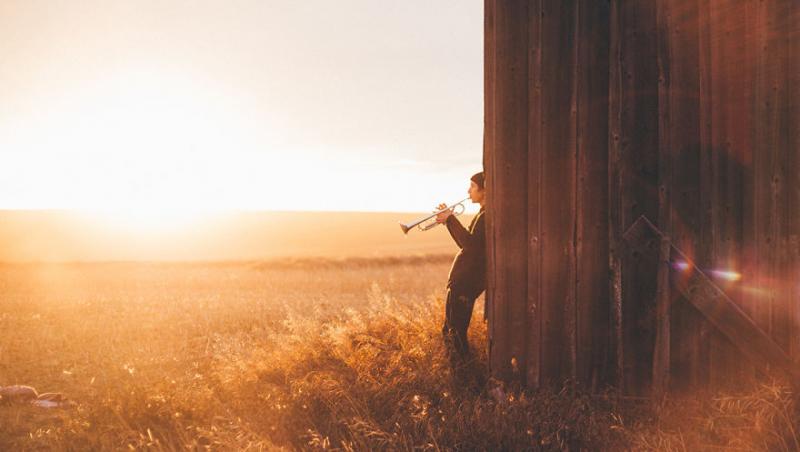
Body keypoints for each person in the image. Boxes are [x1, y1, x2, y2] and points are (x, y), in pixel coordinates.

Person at [435, 171, 486, 362]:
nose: (468, 190)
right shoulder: (482, 215)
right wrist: (448, 222)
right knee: (450, 331)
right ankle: (461, 375)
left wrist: (450, 219)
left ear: (485, 190)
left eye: (473, 186)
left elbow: (470, 245)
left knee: (455, 334)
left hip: (466, 284)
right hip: (462, 283)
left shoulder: (485, 217)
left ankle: (465, 378)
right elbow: (466, 243)